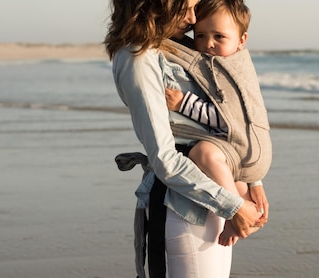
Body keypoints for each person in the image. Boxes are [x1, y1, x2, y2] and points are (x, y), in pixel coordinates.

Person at [105, 0, 268, 277]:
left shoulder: (179, 48)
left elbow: (230, 118)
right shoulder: (138, 59)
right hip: (182, 206)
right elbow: (164, 160)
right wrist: (234, 206)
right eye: (187, 7)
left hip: (215, 198)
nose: (193, 19)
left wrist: (252, 179)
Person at [163, 0, 269, 247]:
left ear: (242, 40)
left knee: (203, 153)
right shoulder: (210, 63)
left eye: (219, 36)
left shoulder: (233, 69)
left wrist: (184, 104)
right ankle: (243, 219)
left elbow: (229, 118)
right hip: (233, 153)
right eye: (200, 35)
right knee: (244, 196)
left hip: (237, 148)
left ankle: (234, 214)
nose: (208, 43)